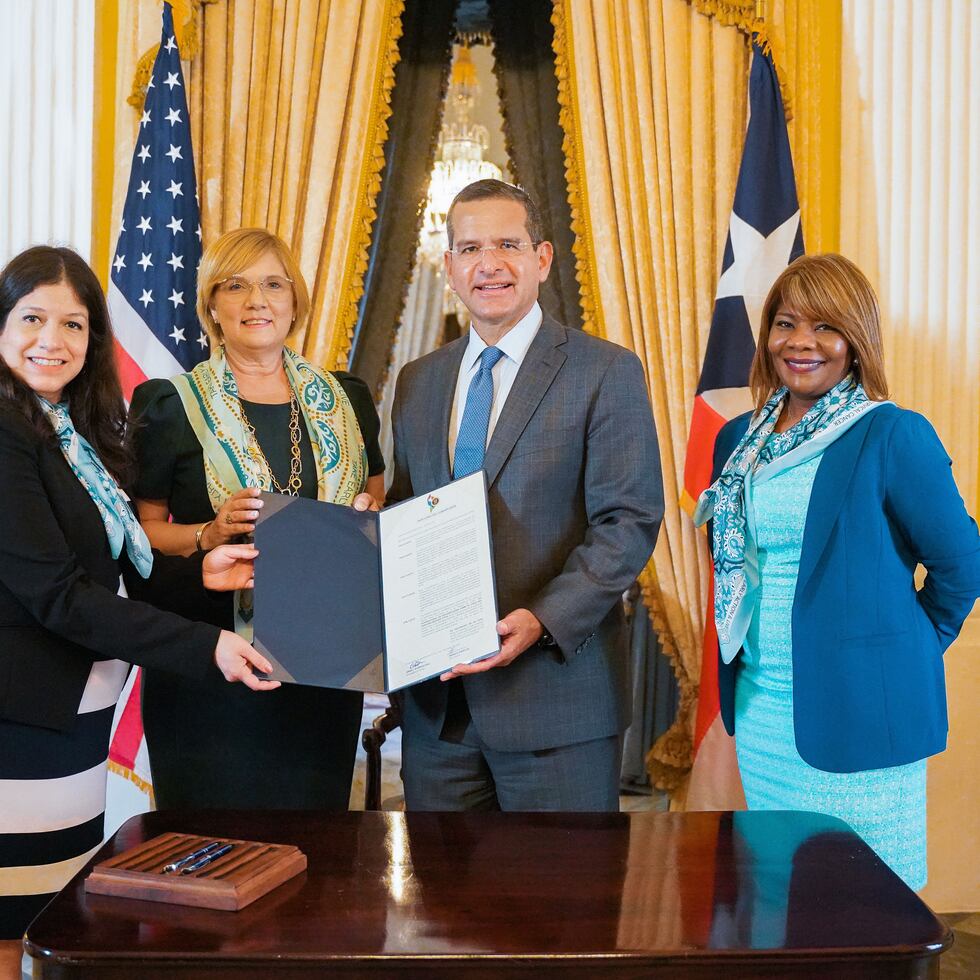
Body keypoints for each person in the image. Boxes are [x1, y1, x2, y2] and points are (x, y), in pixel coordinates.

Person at [0, 246, 278, 978]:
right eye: (32, 318)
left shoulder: (70, 434)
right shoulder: (4, 433)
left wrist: (203, 570)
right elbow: (60, 596)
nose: (50, 340)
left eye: (73, 324)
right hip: (19, 723)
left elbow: (120, 572)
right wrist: (207, 647)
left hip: (74, 718)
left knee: (50, 911)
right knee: (15, 928)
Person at [695, 253, 980, 889]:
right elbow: (733, 559)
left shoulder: (892, 434)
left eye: (825, 326)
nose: (801, 343)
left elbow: (962, 564)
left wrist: (903, 648)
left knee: (865, 910)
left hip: (860, 718)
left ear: (856, 341)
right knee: (778, 900)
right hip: (762, 708)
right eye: (786, 323)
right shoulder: (739, 439)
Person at [388, 179, 663, 811]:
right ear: (449, 266)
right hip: (438, 718)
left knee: (560, 908)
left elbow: (628, 523)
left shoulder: (605, 370)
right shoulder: (418, 381)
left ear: (541, 258)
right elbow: (411, 513)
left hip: (557, 710)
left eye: (508, 244)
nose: (489, 264)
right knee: (440, 909)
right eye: (469, 248)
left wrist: (542, 620)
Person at [129, 227, 385, 811]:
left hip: (325, 667)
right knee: (207, 857)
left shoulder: (347, 399)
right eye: (235, 285)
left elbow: (376, 507)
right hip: (208, 666)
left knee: (312, 855)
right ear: (211, 305)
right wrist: (205, 533)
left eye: (273, 283)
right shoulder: (167, 403)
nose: (256, 301)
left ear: (295, 299)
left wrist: (371, 517)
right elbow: (140, 537)